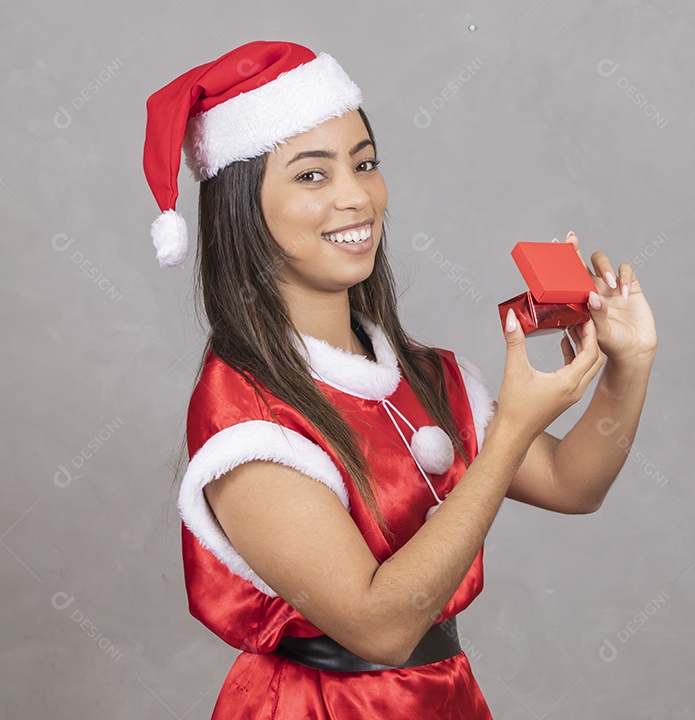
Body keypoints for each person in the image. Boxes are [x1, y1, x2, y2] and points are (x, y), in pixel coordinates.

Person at [143, 40, 657, 718]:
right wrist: (508, 433)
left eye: (365, 164)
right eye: (312, 176)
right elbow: (380, 628)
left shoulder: (424, 374)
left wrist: (629, 364)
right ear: (242, 206)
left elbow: (572, 483)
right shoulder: (246, 418)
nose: (357, 196)